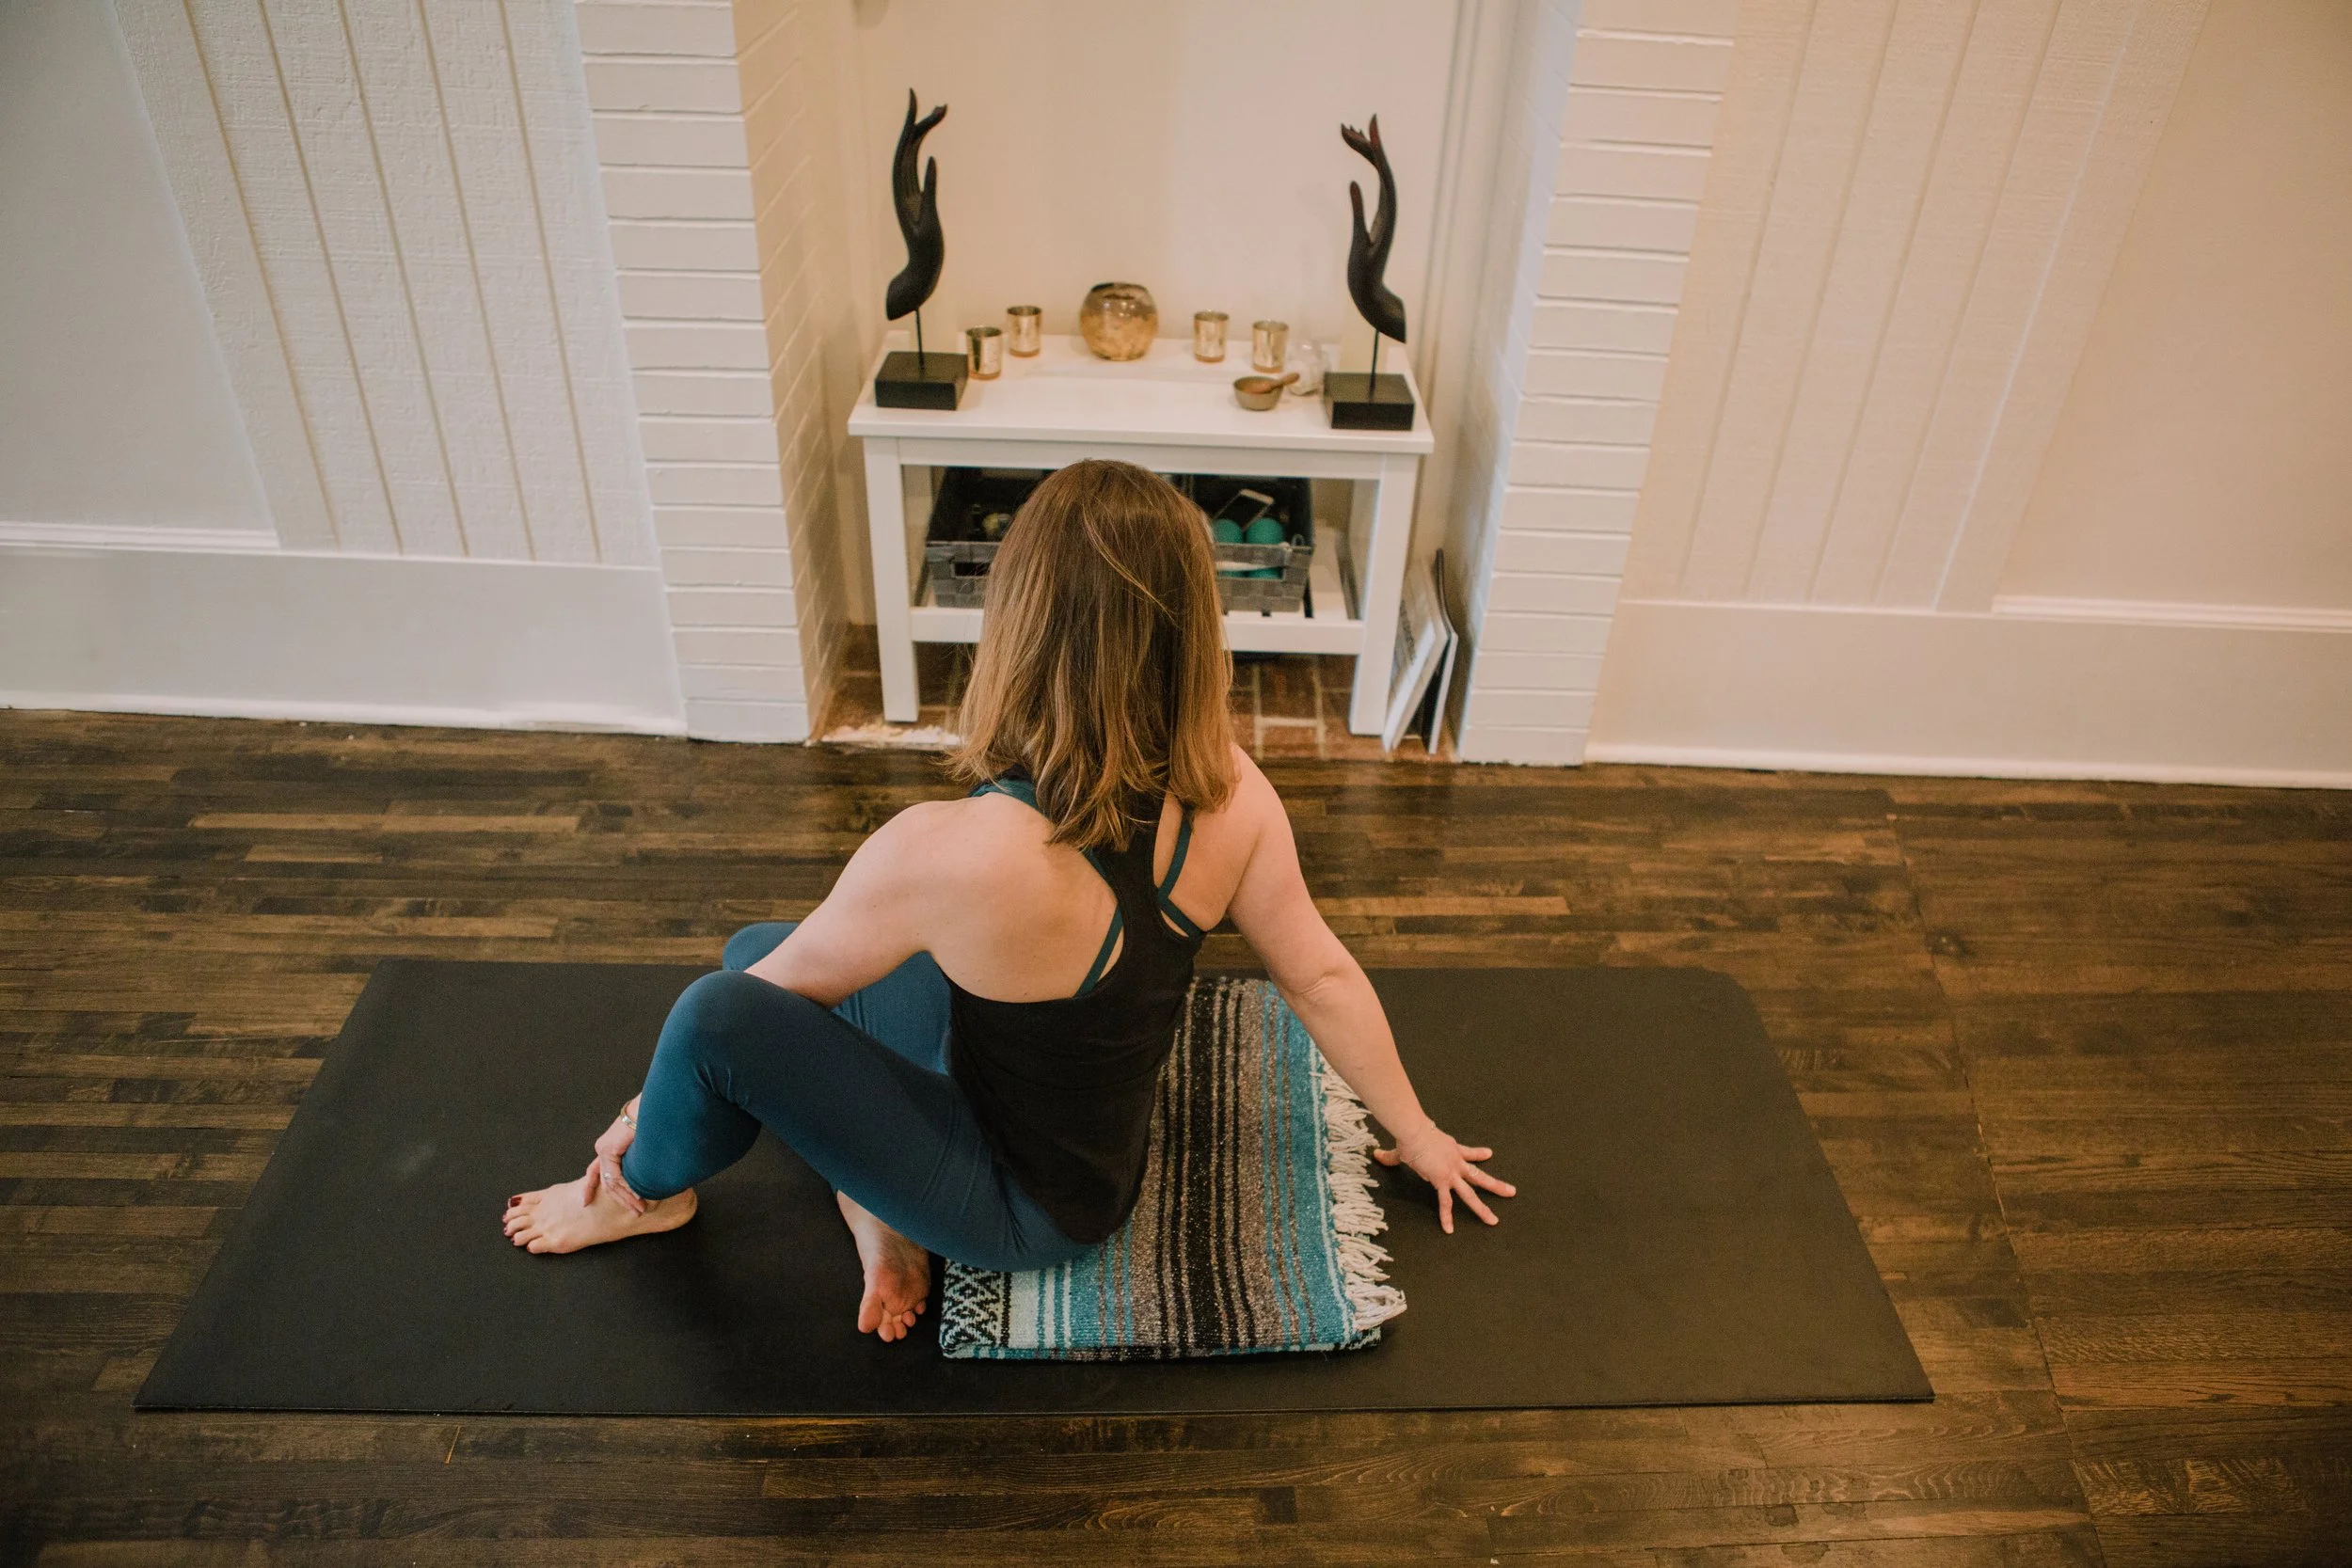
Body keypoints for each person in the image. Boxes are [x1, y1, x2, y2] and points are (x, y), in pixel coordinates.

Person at [501, 458, 1515, 1342]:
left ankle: (644, 1198)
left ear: (1019, 624)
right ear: (1190, 624)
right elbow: (1322, 972)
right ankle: (876, 1207)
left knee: (720, 1013)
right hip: (1086, 1159)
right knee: (754, 953)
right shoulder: (1232, 789)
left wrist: (638, 1120)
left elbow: (749, 1015)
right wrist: (1417, 1132)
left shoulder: (949, 849)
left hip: (1015, 1213)